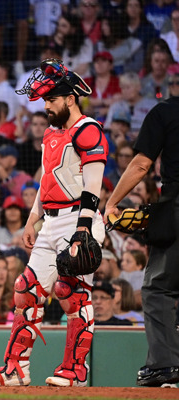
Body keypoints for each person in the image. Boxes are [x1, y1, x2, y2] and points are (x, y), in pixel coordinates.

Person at [0, 59, 108, 387]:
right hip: (50, 222)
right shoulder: (51, 133)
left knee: (72, 293)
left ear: (69, 99)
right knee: (26, 290)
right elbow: (47, 180)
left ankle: (76, 370)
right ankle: (15, 369)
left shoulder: (88, 129)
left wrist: (83, 229)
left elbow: (94, 185)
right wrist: (32, 219)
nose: (46, 107)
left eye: (51, 100)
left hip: (79, 220)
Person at [104, 66, 179, 386]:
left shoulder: (165, 111)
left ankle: (165, 365)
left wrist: (112, 201)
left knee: (157, 287)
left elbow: (141, 164)